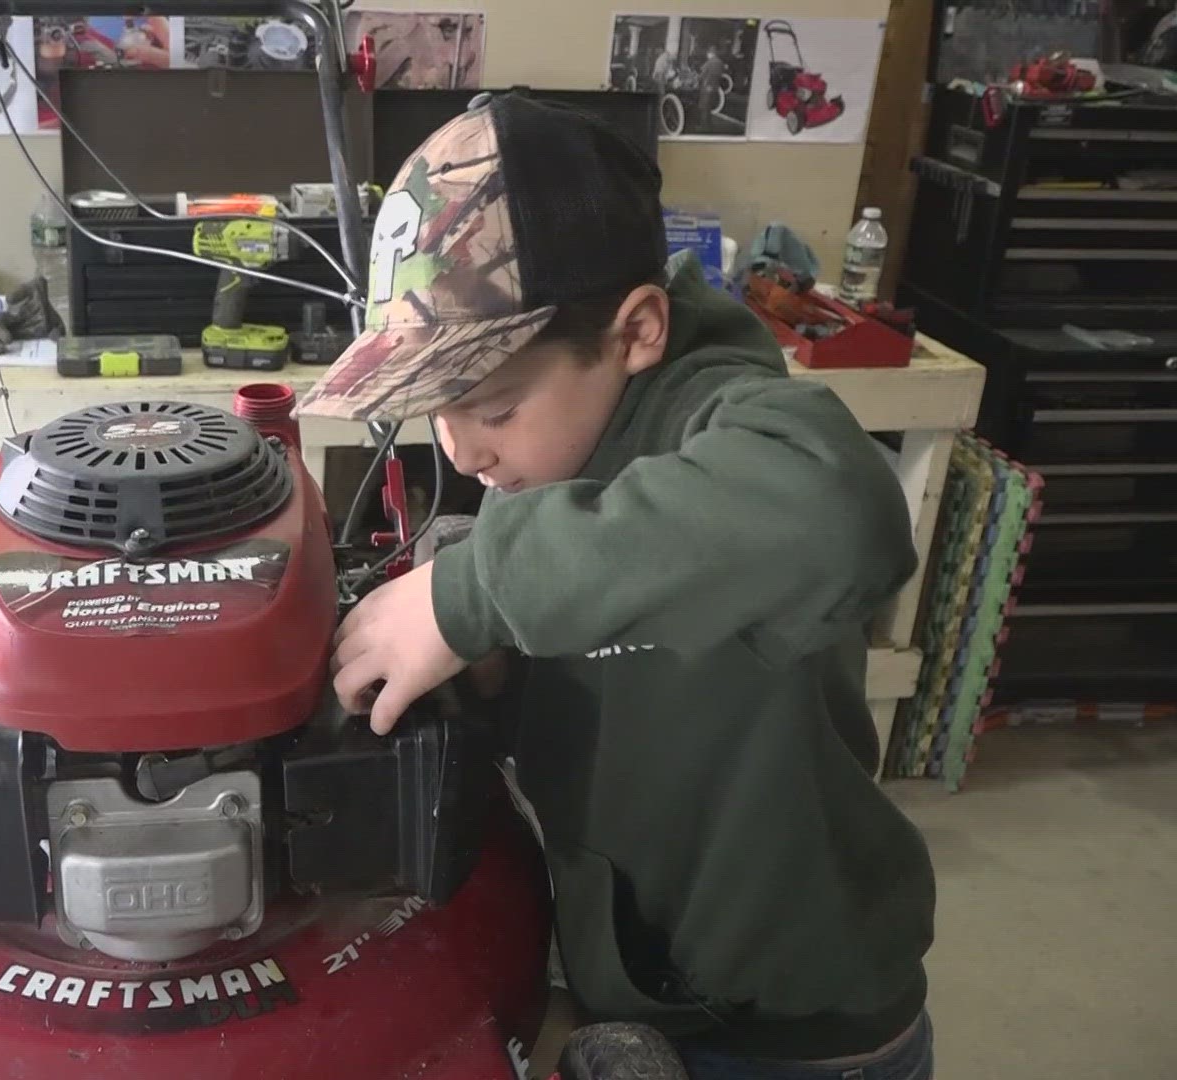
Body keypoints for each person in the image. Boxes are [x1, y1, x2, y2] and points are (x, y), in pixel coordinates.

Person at [295, 93, 937, 1078]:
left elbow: (841, 517)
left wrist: (473, 591)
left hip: (801, 1030)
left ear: (636, 331)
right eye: (438, 414)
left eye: (497, 405)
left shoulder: (727, 419)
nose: (465, 452)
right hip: (643, 982)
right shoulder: (551, 453)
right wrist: (500, 673)